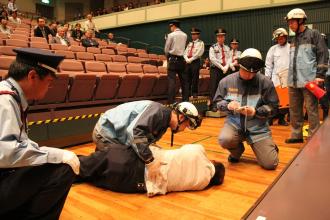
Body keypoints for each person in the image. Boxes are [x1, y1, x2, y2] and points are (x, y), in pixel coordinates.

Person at [0, 48, 80, 219]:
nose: (50, 87)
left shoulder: (10, 96)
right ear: (32, 76)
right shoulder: (4, 100)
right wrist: (56, 154)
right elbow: (7, 153)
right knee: (63, 169)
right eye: (49, 81)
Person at [92, 101, 202, 182]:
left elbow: (145, 141)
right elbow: (135, 132)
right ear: (181, 118)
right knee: (123, 166)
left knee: (134, 157)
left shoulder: (164, 120)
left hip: (116, 134)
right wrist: (150, 161)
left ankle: (99, 157)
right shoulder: (158, 113)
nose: (183, 129)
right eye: (186, 126)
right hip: (106, 133)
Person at [213, 48, 279, 170]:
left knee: (271, 164)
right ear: (240, 66)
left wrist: (256, 112)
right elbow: (217, 102)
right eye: (246, 71)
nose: (249, 75)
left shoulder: (266, 83)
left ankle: (269, 146)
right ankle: (237, 151)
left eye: (253, 73)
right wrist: (227, 105)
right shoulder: (226, 81)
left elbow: (274, 107)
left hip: (257, 128)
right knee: (224, 139)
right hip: (234, 124)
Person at [77, 143, 225, 196]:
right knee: (90, 176)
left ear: (212, 163)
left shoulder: (199, 154)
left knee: (84, 164)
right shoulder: (203, 185)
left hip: (137, 164)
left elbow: (193, 148)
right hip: (136, 186)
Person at [284, 8, 329, 143]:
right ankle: (296, 135)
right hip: (293, 81)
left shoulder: (314, 34)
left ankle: (313, 136)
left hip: (309, 81)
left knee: (311, 109)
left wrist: (320, 75)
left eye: (292, 22)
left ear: (300, 21)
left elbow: (323, 54)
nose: (290, 25)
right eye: (289, 23)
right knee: (294, 110)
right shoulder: (294, 38)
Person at [265, 28, 290, 126]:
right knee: (273, 100)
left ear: (285, 37)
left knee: (285, 101)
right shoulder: (273, 49)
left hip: (287, 78)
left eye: (281, 38)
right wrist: (267, 78)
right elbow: (268, 65)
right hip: (275, 79)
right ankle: (270, 118)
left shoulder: (291, 47)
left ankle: (281, 119)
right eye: (278, 39)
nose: (280, 40)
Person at [164, 20, 187, 104]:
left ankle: (171, 102)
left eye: (171, 26)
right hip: (181, 60)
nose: (170, 28)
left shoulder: (170, 35)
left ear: (173, 26)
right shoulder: (185, 35)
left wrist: (168, 56)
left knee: (172, 81)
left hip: (173, 59)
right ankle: (185, 100)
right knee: (184, 81)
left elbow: (166, 49)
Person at [209, 28, 230, 112]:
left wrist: (226, 66)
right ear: (217, 38)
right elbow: (212, 59)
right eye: (219, 37)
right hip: (216, 70)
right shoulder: (213, 47)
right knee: (214, 87)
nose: (220, 38)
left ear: (224, 37)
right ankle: (213, 105)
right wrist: (222, 67)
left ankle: (224, 105)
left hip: (225, 69)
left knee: (225, 87)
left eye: (222, 36)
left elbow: (229, 58)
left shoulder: (227, 48)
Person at [183, 27, 205, 100]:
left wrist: (191, 59)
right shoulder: (189, 43)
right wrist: (186, 59)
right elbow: (185, 52)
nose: (193, 36)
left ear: (198, 35)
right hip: (187, 62)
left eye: (195, 34)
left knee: (195, 78)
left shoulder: (201, 43)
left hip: (195, 62)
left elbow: (199, 53)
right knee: (187, 78)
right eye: (192, 34)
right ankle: (187, 93)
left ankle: (194, 92)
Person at [319, 33, 330, 120]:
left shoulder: (329, 52)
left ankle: (325, 116)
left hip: (326, 77)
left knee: (324, 96)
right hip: (316, 76)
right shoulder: (315, 51)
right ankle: (307, 115)